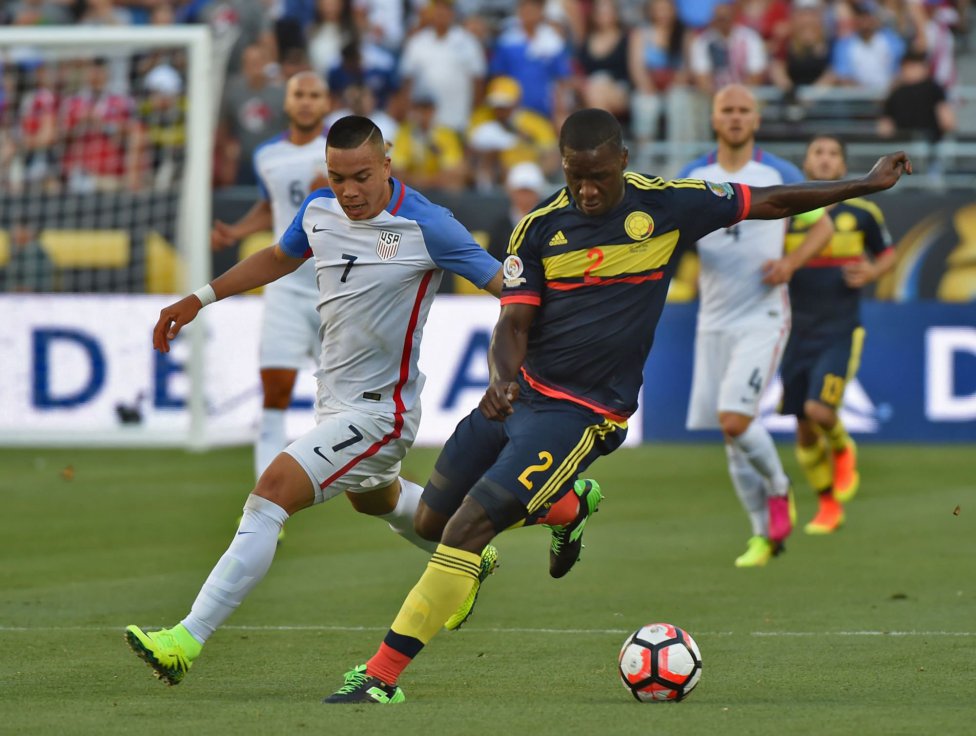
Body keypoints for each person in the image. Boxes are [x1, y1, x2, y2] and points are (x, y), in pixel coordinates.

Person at [322, 107, 912, 704]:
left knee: (467, 530)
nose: (587, 190)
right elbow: (513, 323)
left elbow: (772, 200)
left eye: (599, 176)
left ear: (623, 163)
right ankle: (567, 507)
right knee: (431, 523)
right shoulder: (538, 228)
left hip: (583, 412)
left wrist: (864, 183)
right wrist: (501, 379)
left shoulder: (669, 204)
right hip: (519, 395)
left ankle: (380, 677)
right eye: (575, 176)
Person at [125, 115, 506, 687]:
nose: (348, 191)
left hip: (381, 412)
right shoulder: (318, 210)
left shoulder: (428, 226)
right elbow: (280, 258)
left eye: (361, 177)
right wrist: (199, 298)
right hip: (334, 399)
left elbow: (506, 289)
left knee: (271, 493)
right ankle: (468, 550)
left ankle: (185, 640)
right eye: (336, 177)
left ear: (387, 164)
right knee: (375, 501)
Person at [678, 84, 836, 568]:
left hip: (762, 315)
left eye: (743, 110)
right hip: (713, 319)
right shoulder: (693, 176)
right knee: (733, 437)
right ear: (714, 118)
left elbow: (824, 225)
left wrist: (790, 263)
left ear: (756, 119)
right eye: (727, 109)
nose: (735, 117)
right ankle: (762, 535)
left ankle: (780, 487)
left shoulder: (778, 173)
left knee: (735, 419)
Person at [211, 71, 331, 482]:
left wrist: (331, 192)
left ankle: (362, 481)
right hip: (286, 289)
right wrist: (237, 231)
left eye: (314, 95)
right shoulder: (267, 156)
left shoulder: (343, 151)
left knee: (342, 398)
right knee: (276, 392)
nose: (306, 102)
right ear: (287, 102)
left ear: (326, 103)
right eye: (300, 94)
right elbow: (271, 206)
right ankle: (266, 495)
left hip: (337, 289)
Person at [781, 134, 896, 534]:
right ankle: (828, 505)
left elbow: (887, 255)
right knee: (803, 428)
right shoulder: (788, 211)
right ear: (806, 162)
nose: (826, 159)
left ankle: (844, 447)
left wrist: (872, 272)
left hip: (840, 328)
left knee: (819, 411)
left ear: (844, 166)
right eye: (818, 152)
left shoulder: (862, 212)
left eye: (834, 154)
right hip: (794, 331)